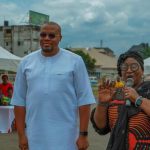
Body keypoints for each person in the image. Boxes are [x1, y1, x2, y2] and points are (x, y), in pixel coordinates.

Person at [11, 21, 95, 150]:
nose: (46, 38)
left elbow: (84, 100)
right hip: (34, 136)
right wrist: (22, 135)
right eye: (43, 35)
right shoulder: (26, 62)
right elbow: (19, 101)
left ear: (60, 38)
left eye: (51, 35)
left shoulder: (75, 61)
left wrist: (83, 135)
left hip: (66, 137)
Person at [91, 51, 150, 150]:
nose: (129, 70)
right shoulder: (114, 93)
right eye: (124, 67)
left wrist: (137, 99)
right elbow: (100, 126)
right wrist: (102, 104)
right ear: (120, 73)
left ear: (142, 70)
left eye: (134, 66)